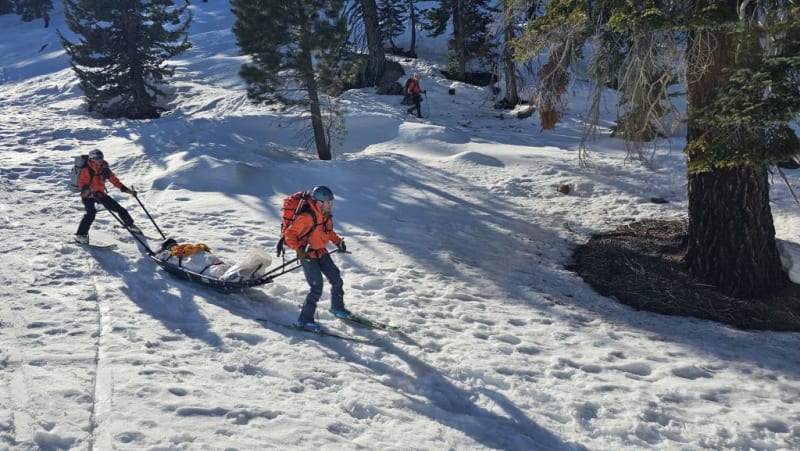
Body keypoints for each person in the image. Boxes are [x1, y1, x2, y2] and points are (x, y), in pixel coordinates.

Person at [284, 185, 348, 332]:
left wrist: (338, 241)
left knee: (336, 279)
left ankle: (337, 307)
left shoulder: (325, 215)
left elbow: (328, 231)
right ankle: (304, 321)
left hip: (322, 252)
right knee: (316, 287)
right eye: (328, 203)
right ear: (319, 203)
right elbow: (290, 234)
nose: (331, 205)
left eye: (331, 202)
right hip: (308, 255)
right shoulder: (306, 217)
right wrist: (299, 249)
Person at [75, 149, 140, 244]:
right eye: (97, 158)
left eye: (101, 157)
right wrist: (89, 192)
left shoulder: (104, 168)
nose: (100, 160)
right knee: (91, 213)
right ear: (92, 159)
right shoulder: (86, 170)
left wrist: (129, 191)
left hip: (100, 193)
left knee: (119, 209)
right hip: (88, 195)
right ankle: (80, 235)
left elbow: (115, 181)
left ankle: (130, 225)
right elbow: (82, 185)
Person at [155, 239, 272, 282]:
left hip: (208, 265)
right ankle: (252, 269)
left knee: (222, 270)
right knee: (224, 270)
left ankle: (251, 268)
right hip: (209, 264)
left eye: (173, 245)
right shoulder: (185, 250)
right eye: (172, 245)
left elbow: (160, 258)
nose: (174, 246)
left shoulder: (177, 253)